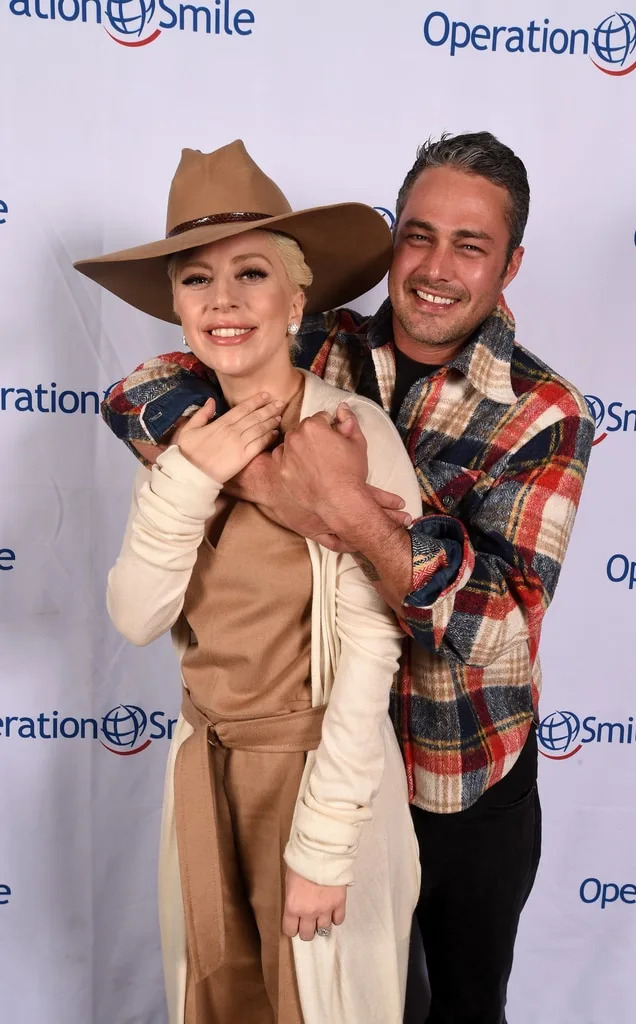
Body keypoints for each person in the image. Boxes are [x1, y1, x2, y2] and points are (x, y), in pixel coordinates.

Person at [97, 132, 595, 1023]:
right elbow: (140, 391)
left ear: (509, 265)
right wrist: (265, 478)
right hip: (304, 756)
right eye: (419, 235)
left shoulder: (543, 411)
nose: (436, 267)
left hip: (454, 767)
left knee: (456, 1004)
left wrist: (352, 514)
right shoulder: (321, 341)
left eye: (470, 245)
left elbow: (501, 628)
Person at [74, 140, 424, 1024]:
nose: (222, 301)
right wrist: (191, 475)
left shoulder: (353, 431)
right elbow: (136, 616)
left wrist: (325, 845)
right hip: (206, 777)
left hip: (318, 779)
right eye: (196, 279)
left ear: (297, 300)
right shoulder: (179, 440)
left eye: (251, 274)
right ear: (177, 307)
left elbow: (374, 649)